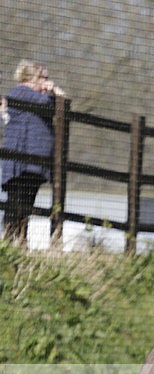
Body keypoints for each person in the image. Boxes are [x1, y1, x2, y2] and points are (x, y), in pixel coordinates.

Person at [1, 60, 65, 243]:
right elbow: (54, 105)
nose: (48, 81)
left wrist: (52, 93)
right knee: (17, 203)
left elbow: (57, 107)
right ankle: (10, 241)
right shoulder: (22, 92)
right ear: (33, 78)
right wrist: (55, 92)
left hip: (32, 163)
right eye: (44, 77)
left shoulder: (33, 96)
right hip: (22, 164)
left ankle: (19, 240)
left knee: (25, 205)